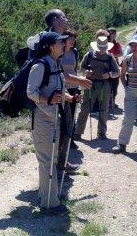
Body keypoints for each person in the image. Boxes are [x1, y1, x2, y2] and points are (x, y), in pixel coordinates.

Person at [26, 31, 79, 215]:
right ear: (50, 46)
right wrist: (47, 99)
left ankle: (49, 196)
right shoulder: (40, 66)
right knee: (47, 161)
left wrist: (70, 98)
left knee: (51, 160)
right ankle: (50, 204)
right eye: (60, 42)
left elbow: (58, 91)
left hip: (53, 118)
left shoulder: (55, 64)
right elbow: (31, 92)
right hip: (42, 121)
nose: (64, 45)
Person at [26, 8, 92, 90]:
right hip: (40, 95)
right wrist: (79, 80)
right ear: (55, 20)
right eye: (63, 17)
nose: (67, 20)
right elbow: (55, 71)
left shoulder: (57, 39)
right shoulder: (45, 40)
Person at [74, 32, 120, 140]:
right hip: (90, 84)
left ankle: (102, 133)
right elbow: (82, 68)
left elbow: (117, 72)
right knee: (85, 108)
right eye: (100, 47)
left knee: (104, 109)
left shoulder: (110, 57)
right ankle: (78, 132)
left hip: (105, 85)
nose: (102, 49)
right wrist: (87, 72)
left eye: (104, 47)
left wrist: (109, 74)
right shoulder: (89, 55)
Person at [112, 35, 137, 154]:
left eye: (136, 45)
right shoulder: (128, 59)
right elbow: (122, 74)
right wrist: (126, 87)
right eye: (132, 45)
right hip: (131, 92)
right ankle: (122, 144)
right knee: (128, 118)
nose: (133, 47)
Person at [58, 30, 81, 172]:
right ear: (64, 40)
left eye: (73, 39)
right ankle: (61, 155)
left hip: (73, 88)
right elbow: (62, 73)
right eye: (70, 39)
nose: (72, 41)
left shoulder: (75, 52)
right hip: (62, 90)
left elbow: (75, 70)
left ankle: (69, 139)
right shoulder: (58, 53)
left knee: (72, 116)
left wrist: (78, 84)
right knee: (63, 120)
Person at [107, 27, 123, 113]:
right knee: (107, 84)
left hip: (114, 65)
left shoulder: (117, 44)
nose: (113, 35)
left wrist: (112, 55)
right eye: (111, 33)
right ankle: (108, 102)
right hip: (106, 66)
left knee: (115, 85)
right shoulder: (105, 43)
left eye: (114, 33)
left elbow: (121, 53)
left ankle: (113, 101)